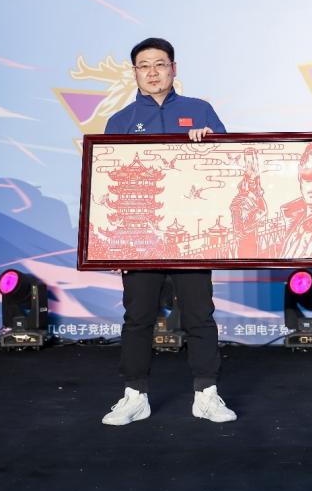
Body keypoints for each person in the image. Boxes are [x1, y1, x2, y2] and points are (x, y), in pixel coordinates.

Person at [101, 37, 236, 425]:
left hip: (190, 237)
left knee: (200, 315)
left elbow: (228, 166)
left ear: (173, 69)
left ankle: (206, 394)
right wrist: (109, 244)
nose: (153, 72)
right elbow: (105, 185)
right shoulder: (120, 122)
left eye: (160, 64)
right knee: (137, 317)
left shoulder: (200, 111)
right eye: (144, 66)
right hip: (139, 238)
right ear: (135, 73)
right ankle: (135, 395)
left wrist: (210, 144)